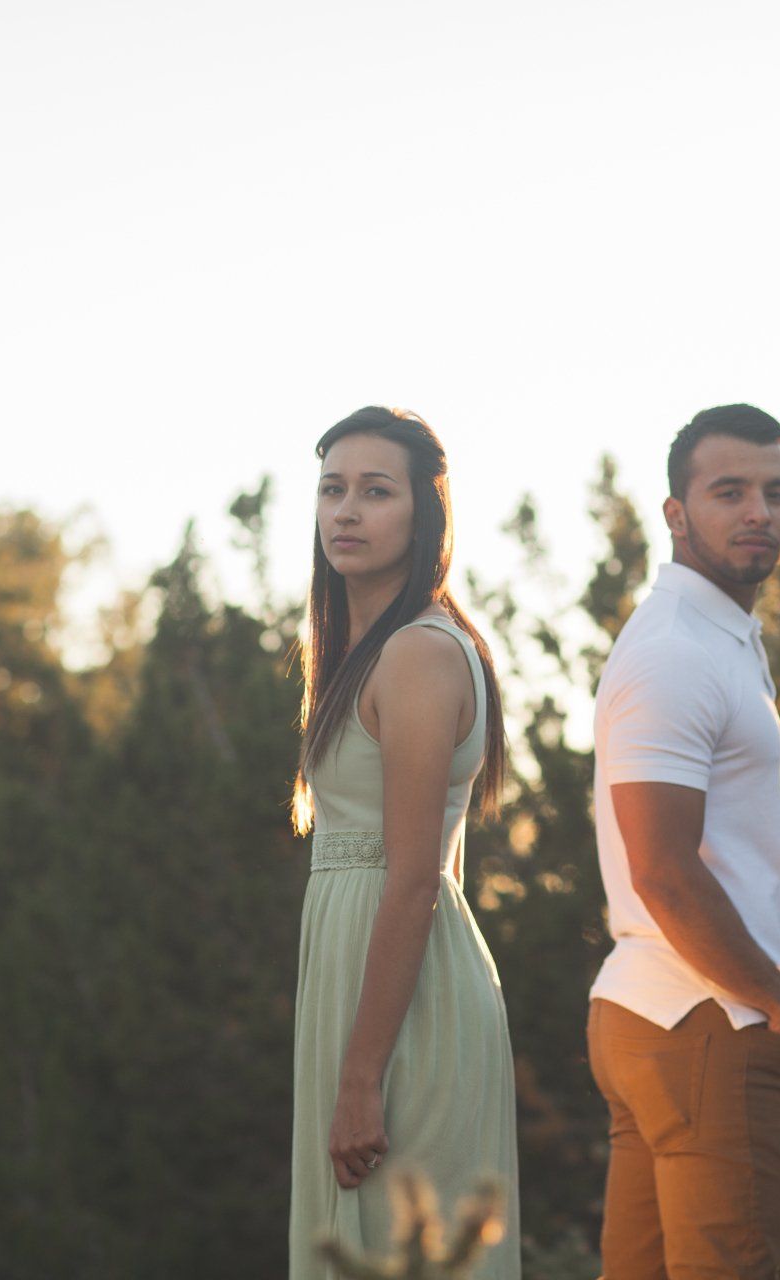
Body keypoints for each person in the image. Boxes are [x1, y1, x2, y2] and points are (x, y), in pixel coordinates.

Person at [287, 406, 520, 1280]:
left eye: (375, 492)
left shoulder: (419, 654)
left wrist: (361, 1077)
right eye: (332, 490)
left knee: (407, 1249)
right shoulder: (358, 653)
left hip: (405, 1006)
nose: (346, 511)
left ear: (425, 514)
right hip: (363, 984)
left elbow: (420, 879)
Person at [587, 404, 780, 1278]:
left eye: (775, 491)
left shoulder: (716, 637)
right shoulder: (676, 650)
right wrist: (777, 999)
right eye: (729, 492)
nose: (759, 512)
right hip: (706, 1019)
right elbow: (663, 871)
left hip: (668, 1017)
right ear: (675, 514)